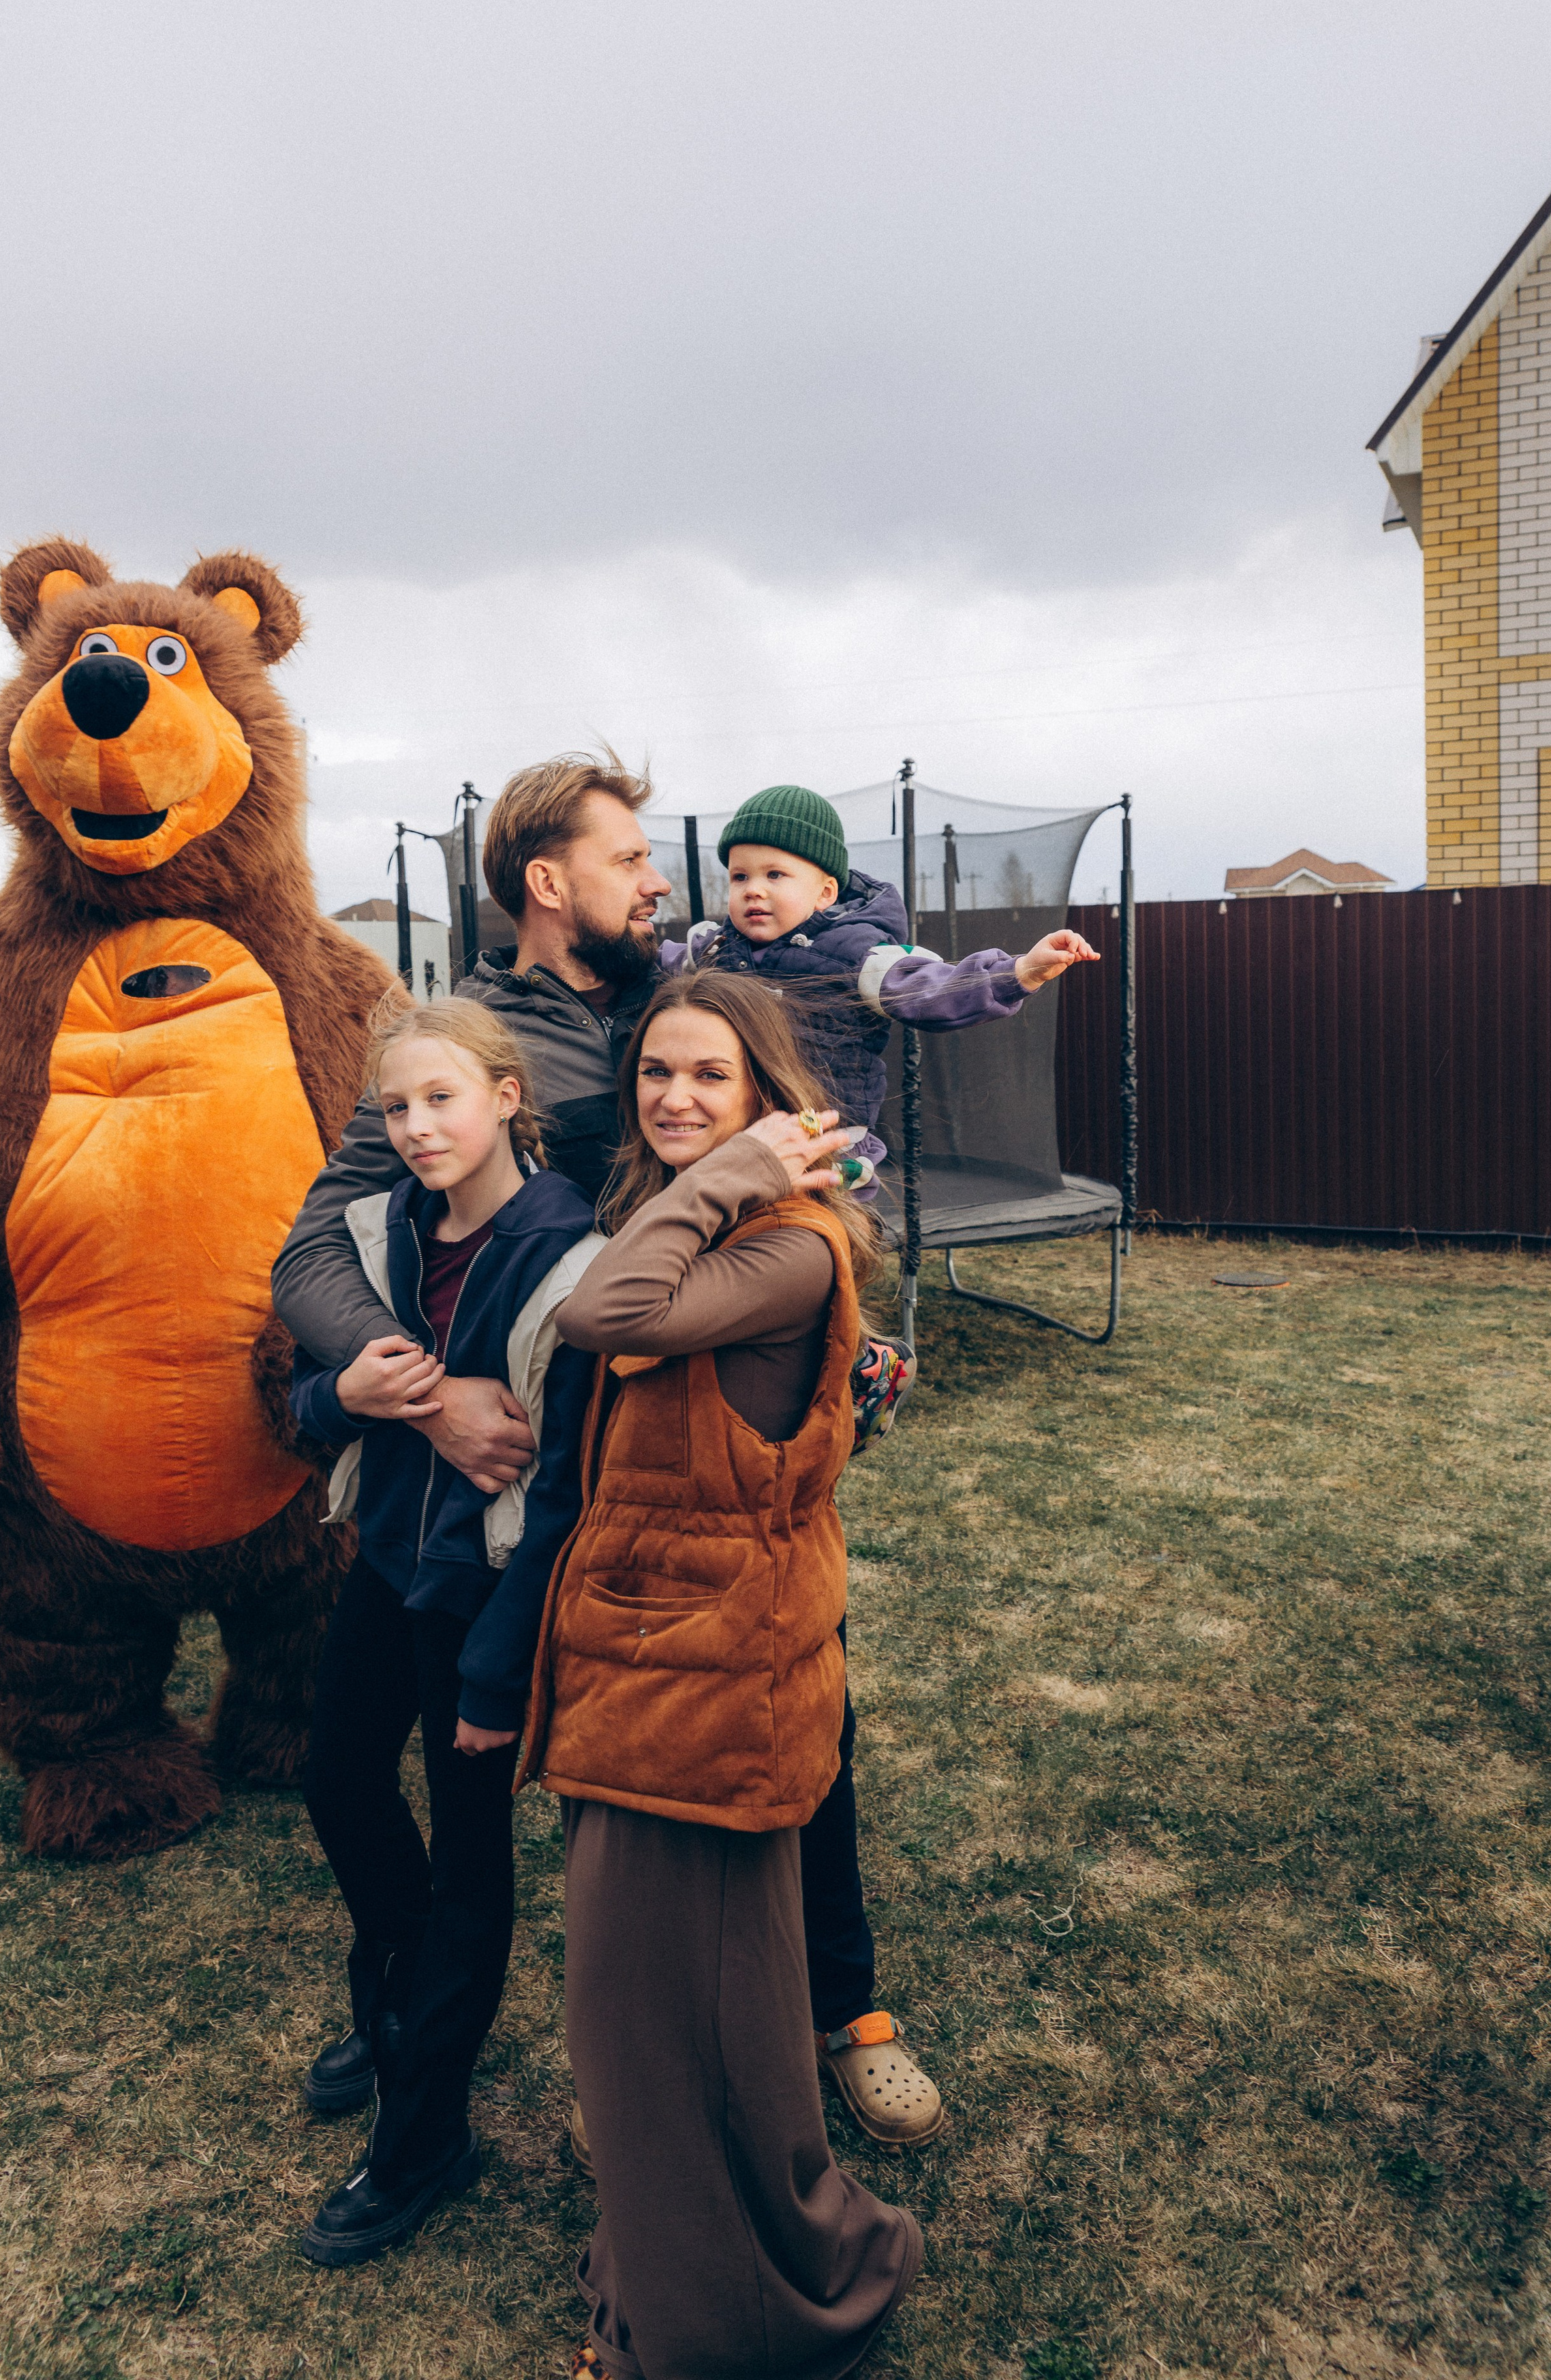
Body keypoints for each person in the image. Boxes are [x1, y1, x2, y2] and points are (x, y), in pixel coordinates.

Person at [273, 754, 940, 2149]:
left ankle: (843, 2009)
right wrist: (408, 1386)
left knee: (793, 1708)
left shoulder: (674, 1001)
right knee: (591, 1760)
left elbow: (814, 1075)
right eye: (630, 858)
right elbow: (320, 1233)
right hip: (533, 1448)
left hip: (701, 1409)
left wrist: (843, 1335)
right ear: (546, 883)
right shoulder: (454, 1040)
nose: (659, 882)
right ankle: (426, 2005)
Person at [521, 974, 922, 2380]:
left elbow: (606, 1307)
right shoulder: (715, 1230)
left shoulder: (788, 1247)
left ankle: (708, 2327)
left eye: (709, 1078)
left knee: (662, 2028)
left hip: (700, 1692)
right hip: (656, 1670)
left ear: (766, 1097)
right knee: (674, 2026)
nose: (674, 1101)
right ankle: (688, 2266)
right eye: (653, 1075)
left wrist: (732, 1175)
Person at [286, 998, 602, 2267]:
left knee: (472, 1861)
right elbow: (309, 1410)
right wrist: (344, 1390)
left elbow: (567, 1480)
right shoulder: (387, 1232)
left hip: (484, 1589)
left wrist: (496, 1671)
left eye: (442, 1100)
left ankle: (424, 2137)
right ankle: (401, 2002)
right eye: (396, 1108)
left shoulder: (567, 1253)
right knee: (337, 1778)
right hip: (388, 1560)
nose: (416, 1129)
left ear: (508, 1097)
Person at [671, 781, 1100, 1187]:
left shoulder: (857, 954)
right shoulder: (713, 949)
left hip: (824, 1139)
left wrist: (1019, 972)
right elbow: (653, 965)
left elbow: (933, 989)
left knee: (805, 1235)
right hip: (736, 1135)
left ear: (825, 894)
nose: (753, 890)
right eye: (740, 877)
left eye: (775, 875)